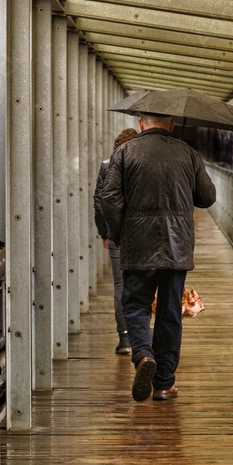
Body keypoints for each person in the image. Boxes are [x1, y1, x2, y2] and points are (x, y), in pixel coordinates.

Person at [100, 113, 216, 402]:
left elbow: (109, 198)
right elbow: (207, 197)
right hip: (177, 246)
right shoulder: (188, 153)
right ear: (172, 124)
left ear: (141, 123)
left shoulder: (125, 152)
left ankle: (143, 355)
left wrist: (118, 234)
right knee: (169, 312)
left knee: (135, 304)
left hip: (138, 244)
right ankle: (164, 383)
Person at [93, 127, 139, 355]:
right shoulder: (143, 164)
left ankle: (125, 338)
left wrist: (105, 233)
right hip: (141, 233)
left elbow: (99, 201)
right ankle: (142, 335)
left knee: (120, 285)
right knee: (141, 283)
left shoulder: (106, 165)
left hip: (116, 234)